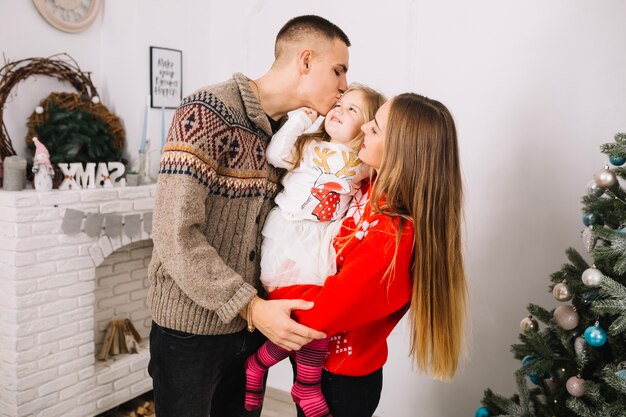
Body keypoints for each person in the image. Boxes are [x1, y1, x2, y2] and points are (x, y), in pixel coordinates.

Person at [148, 15, 351, 417]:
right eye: (339, 70)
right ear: (306, 61)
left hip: (248, 330)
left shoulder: (292, 136)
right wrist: (251, 307)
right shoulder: (208, 110)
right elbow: (174, 233)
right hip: (190, 331)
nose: (344, 84)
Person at [245, 93, 468, 417]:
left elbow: (322, 314)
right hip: (317, 363)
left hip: (341, 379)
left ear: (400, 152)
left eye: (375, 128)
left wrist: (260, 310)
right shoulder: (367, 189)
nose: (364, 126)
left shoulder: (392, 236)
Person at [244, 84, 386, 417]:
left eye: (353, 110)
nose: (339, 109)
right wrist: (296, 123)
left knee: (317, 318)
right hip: (288, 236)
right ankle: (279, 375)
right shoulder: (311, 144)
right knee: (304, 317)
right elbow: (276, 155)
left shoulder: (364, 163)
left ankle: (283, 375)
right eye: (340, 103)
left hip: (320, 243)